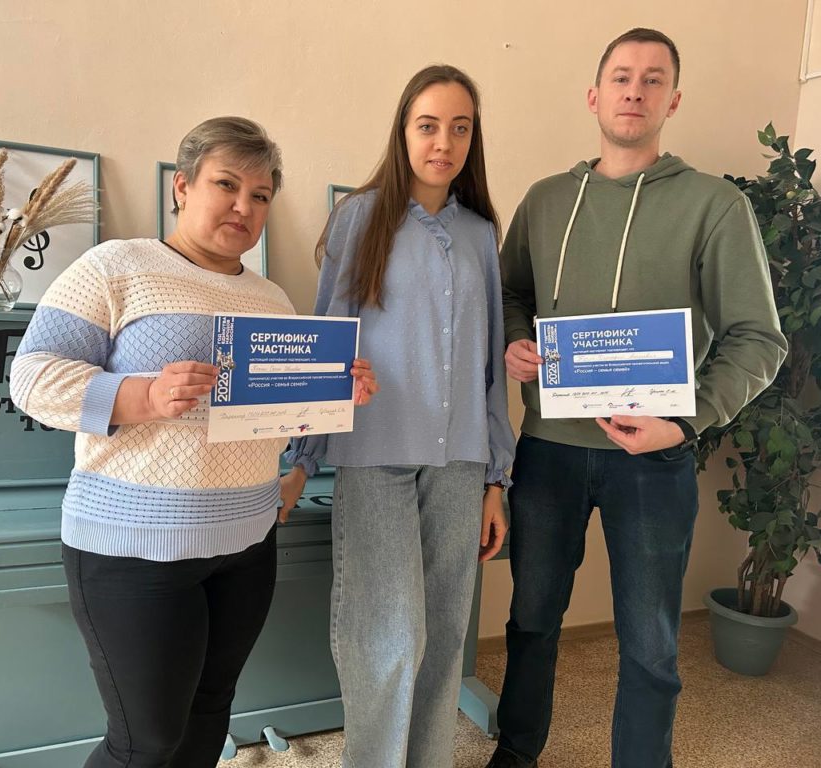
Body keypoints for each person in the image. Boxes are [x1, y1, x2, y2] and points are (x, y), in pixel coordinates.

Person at [9, 116, 377, 768]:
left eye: (260, 195)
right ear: (182, 187)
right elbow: (32, 378)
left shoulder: (272, 300)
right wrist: (143, 396)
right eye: (226, 185)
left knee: (210, 712)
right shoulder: (116, 266)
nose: (244, 206)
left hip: (247, 544)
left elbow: (273, 421)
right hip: (134, 547)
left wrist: (332, 394)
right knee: (144, 742)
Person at [486, 28, 788, 768]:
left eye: (654, 79)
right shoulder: (545, 200)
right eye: (622, 77)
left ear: (673, 101)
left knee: (651, 642)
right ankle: (516, 754)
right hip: (549, 451)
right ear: (594, 96)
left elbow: (759, 338)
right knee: (531, 621)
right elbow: (512, 294)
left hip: (654, 460)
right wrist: (517, 341)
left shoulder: (715, 205)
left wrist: (685, 422)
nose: (635, 90)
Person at [284, 64, 514, 767]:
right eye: (428, 125)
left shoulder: (480, 233)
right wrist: (302, 459)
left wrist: (496, 478)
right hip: (376, 453)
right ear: (404, 131)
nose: (444, 142)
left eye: (459, 128)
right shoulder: (360, 218)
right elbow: (328, 343)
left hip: (461, 461)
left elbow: (489, 360)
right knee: (388, 637)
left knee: (443, 636)